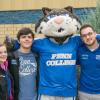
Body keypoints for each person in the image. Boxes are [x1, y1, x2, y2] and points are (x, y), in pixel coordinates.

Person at [8, 27, 37, 100]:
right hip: (17, 97)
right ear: (18, 40)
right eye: (23, 37)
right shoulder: (11, 56)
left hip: (35, 97)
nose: (27, 39)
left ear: (33, 40)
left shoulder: (37, 56)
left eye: (29, 37)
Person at [77, 24, 100, 100]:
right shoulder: (79, 50)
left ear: (95, 33)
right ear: (81, 38)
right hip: (84, 93)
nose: (87, 37)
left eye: (90, 34)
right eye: (84, 35)